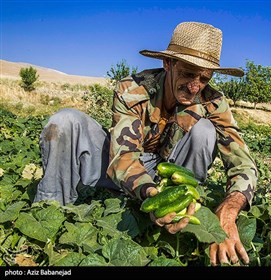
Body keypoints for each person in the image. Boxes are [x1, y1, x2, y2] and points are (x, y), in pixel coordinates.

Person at [34, 21, 258, 266]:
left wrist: (230, 208)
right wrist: (152, 195)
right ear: (168, 63)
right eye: (188, 73)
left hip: (169, 173)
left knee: (204, 131)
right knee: (64, 122)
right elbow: (123, 156)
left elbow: (242, 161)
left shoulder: (212, 101)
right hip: (119, 163)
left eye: (204, 78)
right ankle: (48, 214)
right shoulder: (133, 89)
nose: (195, 86)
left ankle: (183, 214)